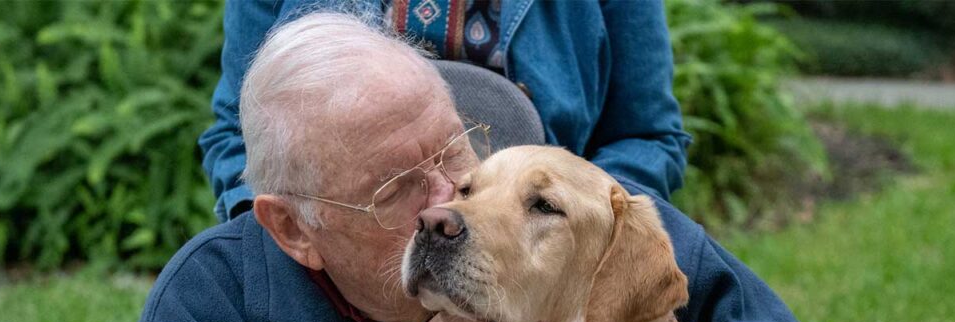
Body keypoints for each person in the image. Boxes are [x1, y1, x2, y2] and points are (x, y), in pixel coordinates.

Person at [122, 11, 891, 322]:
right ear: (294, 229)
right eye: (394, 189)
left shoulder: (597, 237)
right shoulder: (210, 310)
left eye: (457, 150)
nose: (447, 202)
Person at [199, 0, 691, 222]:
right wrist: (296, 240)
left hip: (529, 267)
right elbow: (236, 138)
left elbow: (648, 137)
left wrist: (570, 225)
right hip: (353, 263)